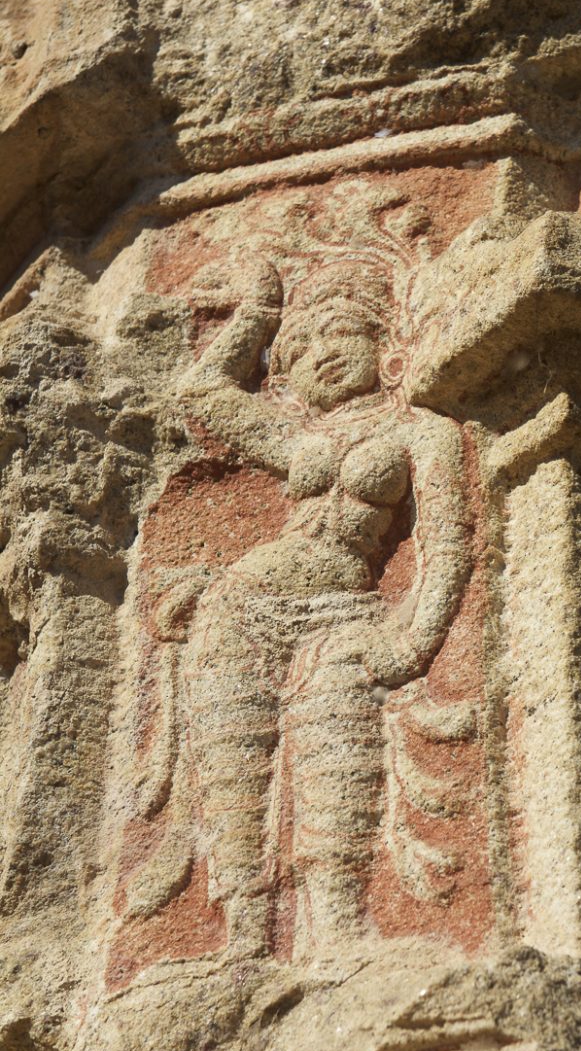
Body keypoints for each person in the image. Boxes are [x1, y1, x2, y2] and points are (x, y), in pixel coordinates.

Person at [168, 249, 471, 959]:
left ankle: (335, 928)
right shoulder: (295, 437)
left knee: (338, 765)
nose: (320, 356)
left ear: (382, 344)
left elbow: (450, 545)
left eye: (338, 333)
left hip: (344, 615)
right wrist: (258, 309)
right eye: (299, 351)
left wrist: (414, 640)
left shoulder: (418, 431)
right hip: (241, 612)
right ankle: (246, 935)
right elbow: (200, 390)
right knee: (233, 772)